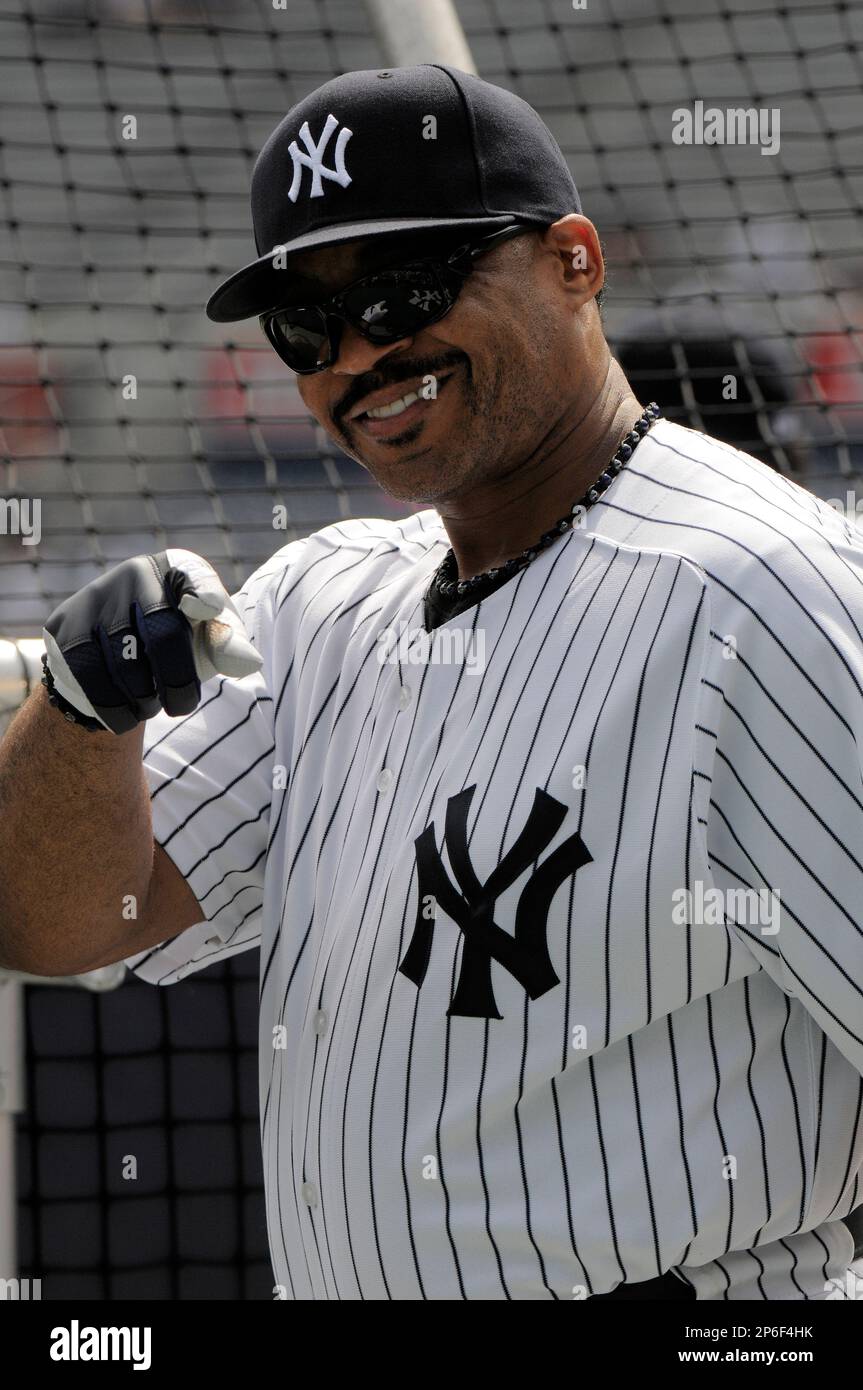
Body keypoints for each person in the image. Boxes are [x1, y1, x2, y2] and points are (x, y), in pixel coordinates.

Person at [1, 64, 862, 1301]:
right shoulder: (311, 605)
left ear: (573, 261)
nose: (361, 352)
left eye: (406, 288)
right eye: (308, 325)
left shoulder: (761, 592)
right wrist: (79, 719)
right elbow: (64, 920)